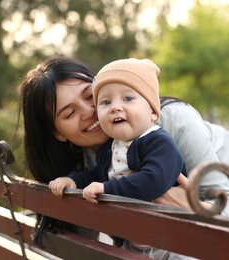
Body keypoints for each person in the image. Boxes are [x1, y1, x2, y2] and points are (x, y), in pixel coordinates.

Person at [19, 56, 229, 238]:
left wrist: (190, 206)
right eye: (70, 113)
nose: (90, 112)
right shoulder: (90, 161)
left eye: (91, 96)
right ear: (57, 133)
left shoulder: (173, 122)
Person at [49, 58, 187, 206]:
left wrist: (107, 189)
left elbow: (154, 180)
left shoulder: (159, 142)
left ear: (153, 111)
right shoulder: (110, 147)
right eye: (106, 102)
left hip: (168, 223)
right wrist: (73, 181)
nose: (115, 107)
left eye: (128, 98)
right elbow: (97, 176)